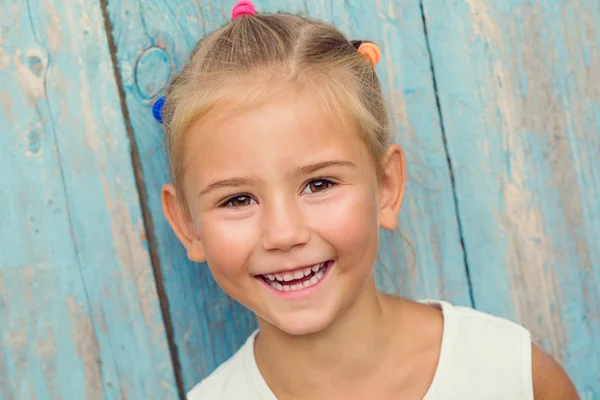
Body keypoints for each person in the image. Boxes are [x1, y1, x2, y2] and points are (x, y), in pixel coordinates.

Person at [157, 1, 579, 398]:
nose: (283, 234)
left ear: (387, 187)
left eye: (319, 184)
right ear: (187, 224)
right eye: (237, 200)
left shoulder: (511, 374)